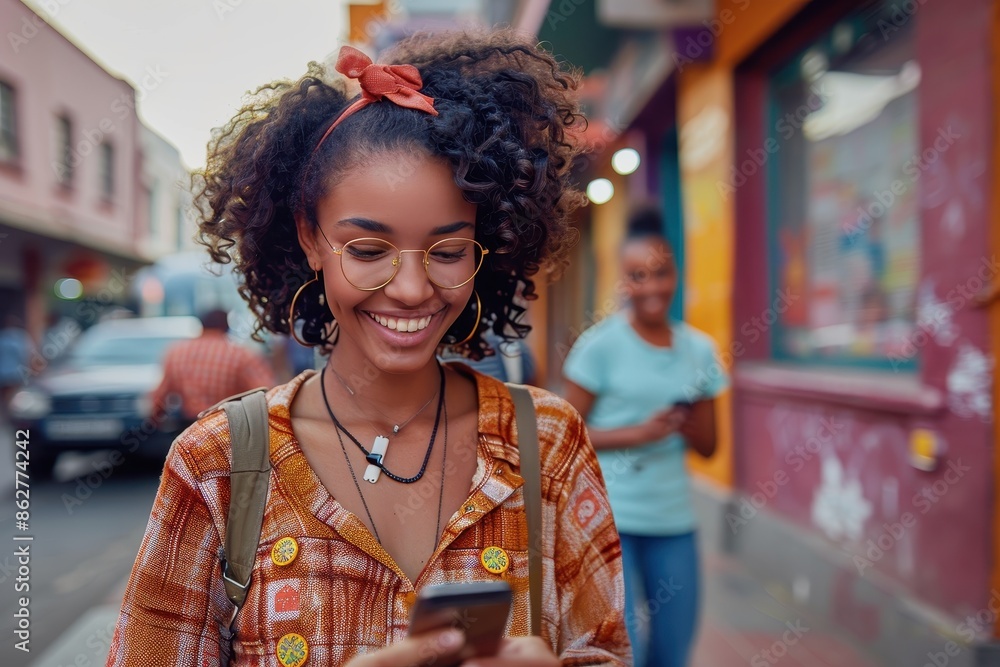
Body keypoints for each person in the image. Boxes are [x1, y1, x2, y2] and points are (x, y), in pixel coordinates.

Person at [108, 30, 629, 667]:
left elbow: (605, 651)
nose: (412, 289)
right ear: (310, 240)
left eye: (447, 251)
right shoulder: (217, 465)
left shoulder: (547, 445)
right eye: (368, 249)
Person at [562, 206, 728, 667]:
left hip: (672, 520)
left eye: (660, 273)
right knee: (622, 648)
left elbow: (711, 448)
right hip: (607, 520)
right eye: (637, 275)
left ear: (675, 274)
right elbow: (562, 438)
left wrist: (686, 420)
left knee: (673, 651)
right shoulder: (600, 346)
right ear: (623, 280)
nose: (651, 287)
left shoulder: (699, 351)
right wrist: (641, 432)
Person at [148, 308, 276, 422]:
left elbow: (159, 397)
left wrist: (155, 421)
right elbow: (266, 393)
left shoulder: (177, 353)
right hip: (228, 428)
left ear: (202, 325)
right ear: (226, 327)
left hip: (188, 428)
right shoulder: (240, 355)